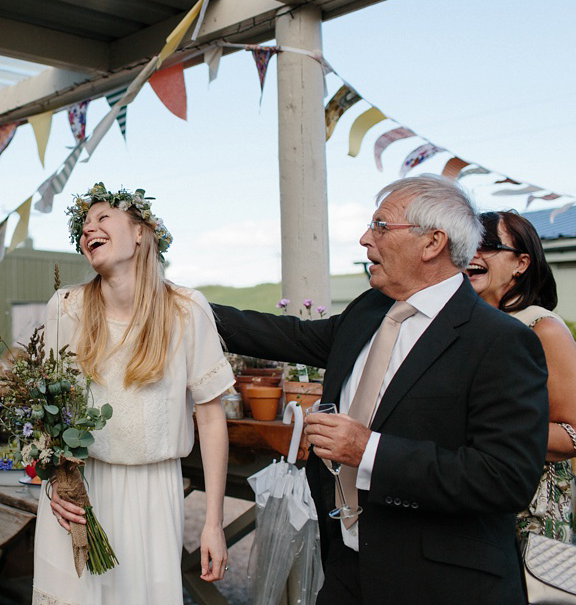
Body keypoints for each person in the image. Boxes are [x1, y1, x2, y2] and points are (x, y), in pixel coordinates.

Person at [213, 175, 549, 604]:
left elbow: (505, 478)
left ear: (432, 243)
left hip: (440, 584)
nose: (364, 239)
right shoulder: (369, 310)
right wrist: (183, 305)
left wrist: (369, 450)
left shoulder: (499, 341)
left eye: (381, 226)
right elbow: (288, 335)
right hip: (348, 568)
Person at [37, 183, 233, 604]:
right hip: (79, 490)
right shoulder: (65, 306)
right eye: (83, 225)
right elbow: (48, 407)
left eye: (102, 217)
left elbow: (211, 417)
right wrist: (55, 481)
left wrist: (213, 522)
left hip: (152, 495)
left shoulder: (186, 309)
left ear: (141, 231)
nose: (89, 228)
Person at [468, 210, 576, 543]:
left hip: (528, 516)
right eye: (467, 243)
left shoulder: (543, 328)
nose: (472, 253)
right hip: (468, 501)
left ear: (521, 263)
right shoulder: (463, 325)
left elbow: (572, 433)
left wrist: (480, 426)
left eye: (486, 244)